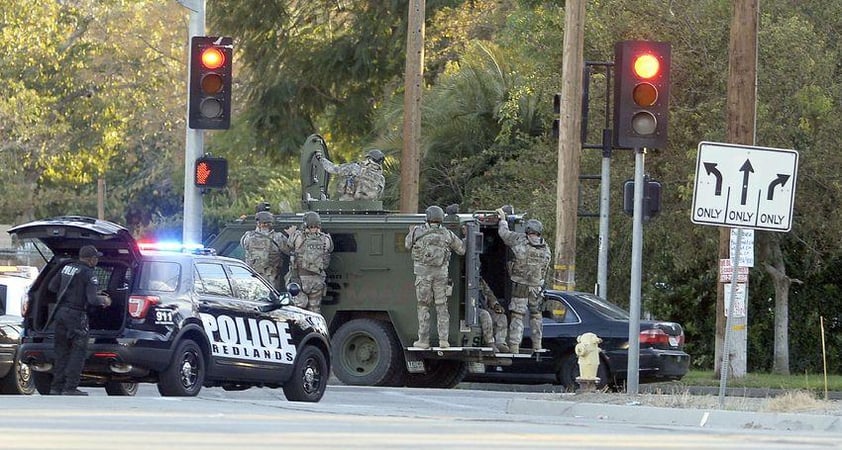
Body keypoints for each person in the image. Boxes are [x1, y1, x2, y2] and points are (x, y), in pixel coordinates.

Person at [48, 245, 111, 395]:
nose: (97, 261)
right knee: (78, 352)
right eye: (96, 258)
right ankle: (70, 388)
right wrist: (105, 299)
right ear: (91, 259)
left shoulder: (67, 268)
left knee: (61, 352)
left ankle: (56, 387)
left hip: (60, 313)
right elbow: (92, 300)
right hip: (76, 316)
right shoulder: (89, 273)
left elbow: (52, 287)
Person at [405, 205, 466, 349]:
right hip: (441, 275)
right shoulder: (447, 234)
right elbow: (462, 250)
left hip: (423, 276)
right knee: (441, 307)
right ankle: (444, 341)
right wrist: (467, 236)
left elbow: (407, 245)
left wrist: (410, 231)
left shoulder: (417, 231)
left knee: (423, 306)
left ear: (427, 216)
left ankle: (423, 341)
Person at [497, 211, 552, 353]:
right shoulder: (545, 248)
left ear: (528, 230)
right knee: (536, 316)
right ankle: (537, 345)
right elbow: (545, 269)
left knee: (517, 316)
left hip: (520, 285)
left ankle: (514, 346)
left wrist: (503, 220)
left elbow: (503, 234)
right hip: (536, 287)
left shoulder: (520, 240)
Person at [284, 211, 333, 314]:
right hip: (317, 280)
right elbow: (328, 252)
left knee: (299, 310)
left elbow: (288, 247)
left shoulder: (297, 236)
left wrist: (291, 233)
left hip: (299, 279)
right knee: (314, 310)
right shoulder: (326, 239)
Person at [315, 148, 385, 201]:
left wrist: (321, 159)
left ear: (369, 159)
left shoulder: (355, 168)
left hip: (348, 205)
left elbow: (334, 169)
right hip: (369, 209)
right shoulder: (381, 179)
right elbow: (378, 196)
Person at [240, 211, 285, 289]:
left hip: (252, 278)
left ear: (258, 223)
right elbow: (289, 250)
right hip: (269, 279)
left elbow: (244, 247)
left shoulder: (248, 237)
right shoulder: (278, 238)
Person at [478, 278, 509, 352]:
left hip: (484, 308)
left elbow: (489, 294)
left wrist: (496, 305)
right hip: (472, 309)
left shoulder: (480, 281)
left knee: (502, 317)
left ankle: (500, 342)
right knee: (485, 315)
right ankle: (490, 342)